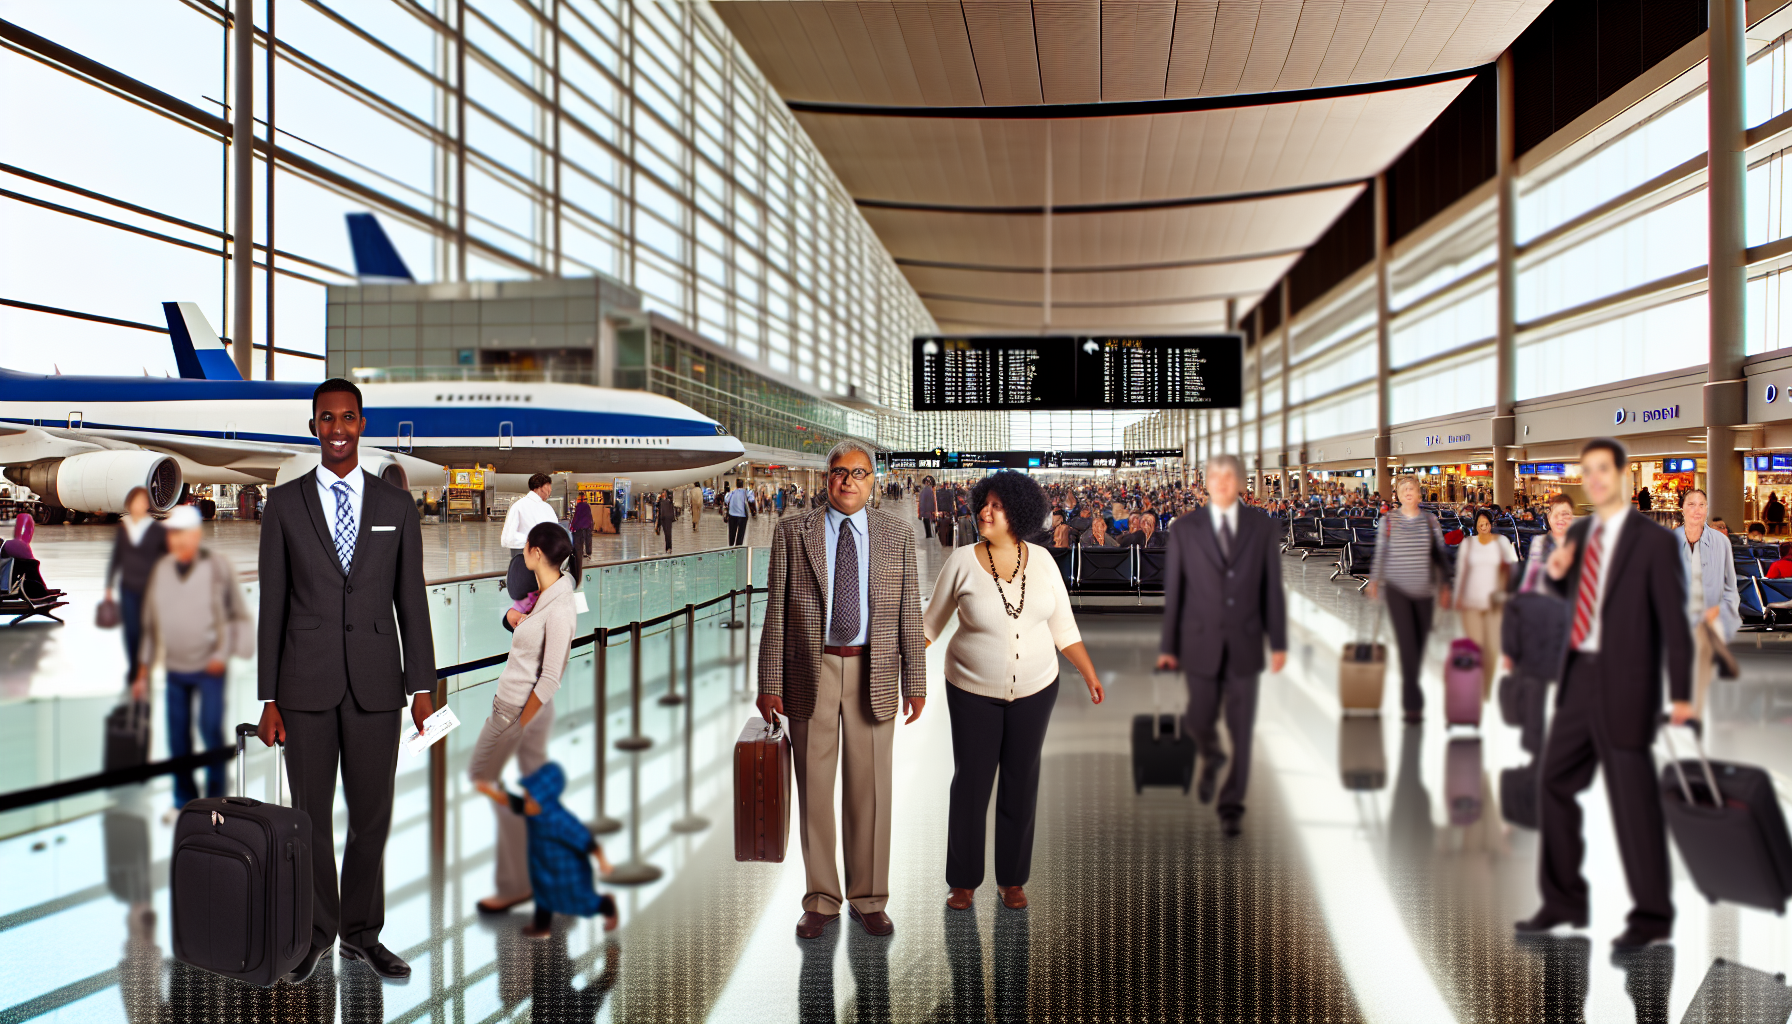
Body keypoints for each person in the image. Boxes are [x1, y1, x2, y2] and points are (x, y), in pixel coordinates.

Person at [255, 378, 437, 984]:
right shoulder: (284, 505)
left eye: (348, 417)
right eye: (326, 419)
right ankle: (315, 934)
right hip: (303, 688)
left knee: (372, 816)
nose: (337, 428)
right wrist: (268, 697)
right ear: (314, 428)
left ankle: (362, 933)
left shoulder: (394, 507)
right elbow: (273, 607)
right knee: (310, 818)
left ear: (362, 424)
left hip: (377, 688)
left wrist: (423, 689)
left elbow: (412, 602)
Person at [1517, 437, 1691, 951]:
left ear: (1622, 475)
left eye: (1601, 470)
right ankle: (1564, 897)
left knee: (1631, 800)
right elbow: (1580, 601)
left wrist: (1681, 694)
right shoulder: (1584, 529)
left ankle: (1653, 913)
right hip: (1579, 679)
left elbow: (1673, 624)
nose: (1593, 479)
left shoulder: (1655, 543)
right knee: (1552, 783)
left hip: (1627, 683)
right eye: (1585, 471)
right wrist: (1557, 578)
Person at [757, 440, 925, 940]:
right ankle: (822, 899)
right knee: (814, 790)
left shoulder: (896, 532)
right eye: (838, 472)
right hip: (812, 671)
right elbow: (776, 612)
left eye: (858, 473)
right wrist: (768, 683)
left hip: (874, 670)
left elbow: (909, 614)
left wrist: (914, 679)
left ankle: (869, 897)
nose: (848, 480)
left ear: (872, 481)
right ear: (826, 479)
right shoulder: (793, 532)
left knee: (870, 792)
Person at [924, 472, 1103, 911]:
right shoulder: (962, 561)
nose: (986, 511)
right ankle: (963, 880)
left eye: (997, 506)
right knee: (971, 782)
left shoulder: (1042, 561)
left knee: (1021, 780)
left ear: (1018, 513)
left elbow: (1063, 626)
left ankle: (1013, 879)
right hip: (971, 688)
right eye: (983, 503)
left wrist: (1088, 672)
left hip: (1037, 688)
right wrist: (898, 667)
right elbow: (929, 626)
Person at [1155, 455, 1286, 837]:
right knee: (1199, 719)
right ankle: (1211, 754)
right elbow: (1175, 590)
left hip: (1245, 640)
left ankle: (1232, 803)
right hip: (1200, 640)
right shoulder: (1185, 529)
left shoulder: (1262, 526)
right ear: (1205, 483)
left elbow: (1270, 588)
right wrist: (1169, 644)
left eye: (1230, 476)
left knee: (1242, 727)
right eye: (1216, 476)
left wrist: (1277, 641)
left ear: (1241, 482)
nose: (1223, 482)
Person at [470, 522, 583, 918]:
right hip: (514, 709)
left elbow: (551, 677)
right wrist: (514, 618)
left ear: (535, 552)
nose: (522, 556)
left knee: (486, 778)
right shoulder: (548, 593)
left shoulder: (561, 605)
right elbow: (523, 618)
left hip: (519, 713)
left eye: (526, 549)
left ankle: (527, 879)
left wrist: (519, 725)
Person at [133, 504, 244, 816]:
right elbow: (150, 623)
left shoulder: (215, 567)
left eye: (182, 535)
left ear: (195, 536)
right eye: (172, 535)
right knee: (177, 738)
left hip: (209, 668)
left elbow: (233, 614)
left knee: (210, 731)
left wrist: (221, 656)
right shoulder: (161, 572)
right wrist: (142, 670)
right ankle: (184, 800)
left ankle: (216, 801)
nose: (177, 541)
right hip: (176, 670)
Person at [1367, 475, 1453, 723]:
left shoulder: (1430, 521)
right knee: (1407, 645)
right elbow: (1381, 551)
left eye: (1412, 488)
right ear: (1397, 494)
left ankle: (1412, 684)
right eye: (1403, 488)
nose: (1408, 492)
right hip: (1397, 590)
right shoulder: (1389, 521)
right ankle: (1411, 700)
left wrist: (1445, 585)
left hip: (1424, 591)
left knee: (1419, 642)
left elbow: (1440, 554)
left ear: (1419, 494)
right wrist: (1374, 580)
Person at [1672, 489, 1740, 715]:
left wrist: (1719, 610)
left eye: (1702, 505)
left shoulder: (1722, 542)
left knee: (1701, 639)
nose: (1697, 510)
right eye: (1691, 504)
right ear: (1682, 509)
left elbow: (1731, 589)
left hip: (1712, 617)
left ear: (1707, 508)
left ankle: (1693, 710)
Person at [106, 487, 168, 687]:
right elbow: (116, 557)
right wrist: (109, 585)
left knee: (147, 630)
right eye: (136, 501)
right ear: (130, 504)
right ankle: (134, 666)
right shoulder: (124, 528)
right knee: (132, 630)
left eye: (143, 501)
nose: (139, 505)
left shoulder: (157, 530)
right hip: (128, 588)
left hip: (150, 588)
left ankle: (145, 666)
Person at [1454, 508, 1517, 699]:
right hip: (1472, 602)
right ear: (1475, 526)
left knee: (1491, 646)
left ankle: (1486, 690)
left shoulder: (1502, 542)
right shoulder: (1468, 544)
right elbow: (1461, 571)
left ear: (1491, 524)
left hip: (1495, 603)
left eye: (1487, 524)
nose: (1484, 527)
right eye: (1480, 524)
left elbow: (1513, 567)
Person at [502, 474, 559, 600]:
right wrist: (534, 541)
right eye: (548, 486)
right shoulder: (519, 506)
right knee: (528, 602)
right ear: (540, 487)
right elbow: (507, 538)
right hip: (524, 563)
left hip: (546, 564)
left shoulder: (547, 508)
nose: (550, 490)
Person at [725, 479, 753, 545]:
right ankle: (738, 548)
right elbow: (751, 500)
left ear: (736, 485)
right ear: (742, 485)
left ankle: (731, 548)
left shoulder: (732, 492)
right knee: (740, 535)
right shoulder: (746, 492)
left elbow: (726, 500)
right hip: (742, 516)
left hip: (732, 515)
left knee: (731, 534)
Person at [656, 488, 677, 552]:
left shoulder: (669, 501)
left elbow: (672, 509)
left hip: (668, 518)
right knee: (666, 533)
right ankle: (667, 547)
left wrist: (672, 517)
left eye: (664, 492)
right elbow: (658, 511)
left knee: (668, 533)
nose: (663, 494)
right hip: (663, 518)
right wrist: (658, 524)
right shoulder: (660, 501)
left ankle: (669, 547)